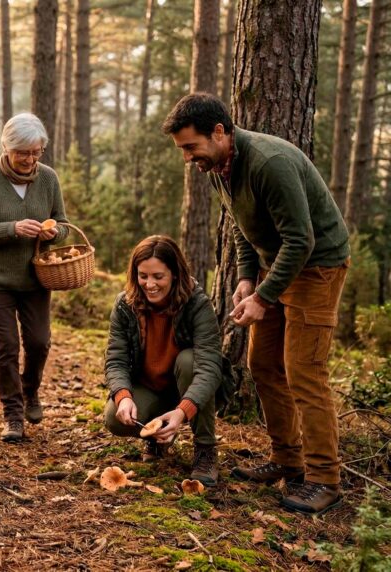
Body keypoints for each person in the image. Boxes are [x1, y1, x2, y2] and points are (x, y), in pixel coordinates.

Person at [163, 93, 351, 514]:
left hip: (317, 267)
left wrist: (263, 298)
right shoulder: (217, 165)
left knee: (305, 371)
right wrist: (247, 279)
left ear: (219, 132)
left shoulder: (270, 163)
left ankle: (325, 479)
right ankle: (289, 460)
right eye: (182, 150)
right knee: (263, 364)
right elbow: (240, 227)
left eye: (191, 147)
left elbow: (302, 239)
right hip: (277, 266)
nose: (188, 157)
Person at [0, 113, 70, 443]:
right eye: (23, 152)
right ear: (7, 147)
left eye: (36, 152)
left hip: (36, 277)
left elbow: (64, 224)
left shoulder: (49, 179)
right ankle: (12, 414)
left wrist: (52, 232)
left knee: (39, 341)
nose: (29, 159)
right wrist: (11, 229)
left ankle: (30, 391)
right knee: (6, 346)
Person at [103, 236, 225, 486]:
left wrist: (183, 411)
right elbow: (116, 358)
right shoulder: (125, 305)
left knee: (191, 361)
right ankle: (156, 437)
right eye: (143, 276)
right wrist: (123, 396)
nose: (150, 284)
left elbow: (210, 366)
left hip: (188, 386)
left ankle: (205, 451)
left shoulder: (197, 303)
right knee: (114, 416)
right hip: (151, 387)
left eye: (158, 276)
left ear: (175, 274)